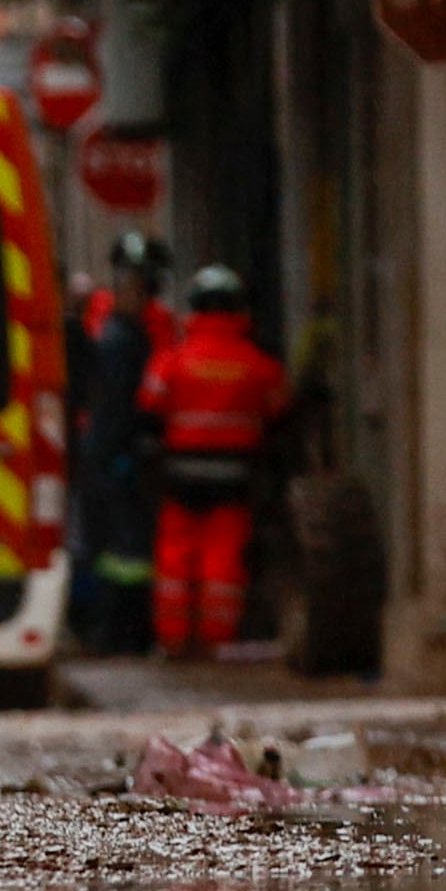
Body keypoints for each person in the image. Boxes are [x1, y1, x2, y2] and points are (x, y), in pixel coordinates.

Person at [138, 264, 288, 658]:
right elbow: (280, 411)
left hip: (180, 475)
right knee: (223, 556)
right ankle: (215, 639)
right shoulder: (259, 365)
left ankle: (173, 638)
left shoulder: (171, 360)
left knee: (174, 555)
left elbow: (149, 406)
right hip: (234, 477)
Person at [74, 231, 171, 655]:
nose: (139, 293)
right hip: (112, 459)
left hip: (117, 456)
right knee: (121, 551)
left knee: (124, 552)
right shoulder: (118, 338)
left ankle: (120, 631)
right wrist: (117, 453)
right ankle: (117, 633)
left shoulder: (133, 332)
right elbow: (113, 405)